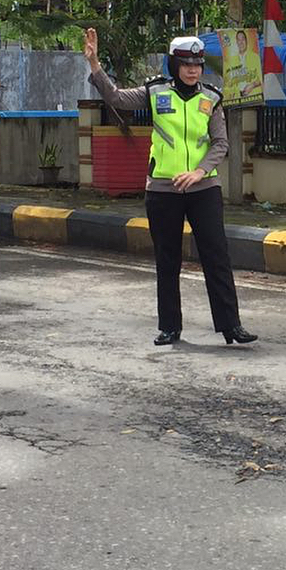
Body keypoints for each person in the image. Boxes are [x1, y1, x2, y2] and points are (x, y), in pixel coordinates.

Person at [83, 28, 257, 347]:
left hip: (203, 189)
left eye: (198, 64)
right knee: (168, 259)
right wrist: (95, 65)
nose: (193, 69)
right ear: (173, 65)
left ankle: (231, 326)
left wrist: (199, 171)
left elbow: (221, 143)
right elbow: (118, 98)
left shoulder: (211, 98)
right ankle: (169, 327)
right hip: (163, 190)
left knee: (217, 255)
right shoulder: (155, 92)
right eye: (186, 63)